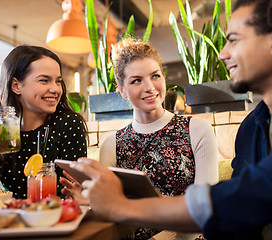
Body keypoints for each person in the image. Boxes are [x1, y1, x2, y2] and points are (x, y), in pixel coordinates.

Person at [66, 0, 272, 239]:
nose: (222, 54)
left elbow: (243, 197)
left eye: (232, 39)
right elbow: (242, 216)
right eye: (135, 81)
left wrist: (119, 205)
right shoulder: (251, 129)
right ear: (121, 90)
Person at [63, 38, 218, 240]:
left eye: (155, 76)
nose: (150, 87)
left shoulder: (197, 129)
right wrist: (91, 203)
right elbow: (114, 210)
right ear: (122, 91)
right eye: (136, 80)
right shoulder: (112, 144)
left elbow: (204, 209)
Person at [0, 45, 87, 199]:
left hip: (55, 215)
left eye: (58, 81)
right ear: (16, 85)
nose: (55, 89)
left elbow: (73, 190)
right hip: (11, 216)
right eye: (44, 80)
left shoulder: (68, 123)